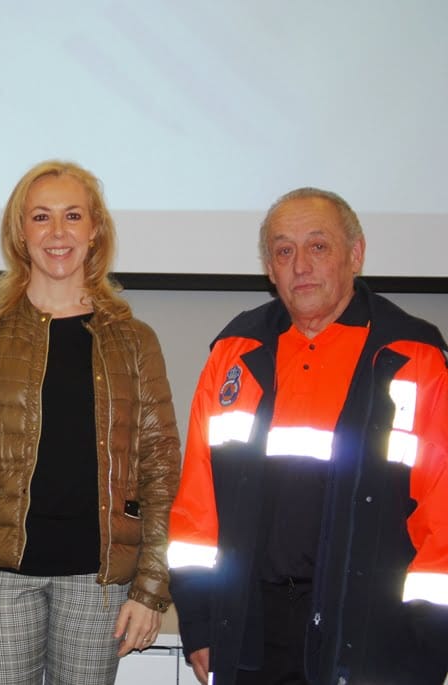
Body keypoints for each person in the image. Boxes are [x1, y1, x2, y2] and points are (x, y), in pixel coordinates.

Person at [167, 187, 448, 685]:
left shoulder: (412, 356)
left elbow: (441, 517)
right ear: (269, 268)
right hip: (252, 632)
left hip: (371, 636)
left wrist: (428, 648)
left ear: (355, 254)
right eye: (283, 250)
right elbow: (197, 509)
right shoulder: (235, 352)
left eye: (318, 246)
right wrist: (202, 624)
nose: (300, 266)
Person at [0, 160, 182, 684]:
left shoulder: (136, 341)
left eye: (72, 216)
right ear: (21, 234)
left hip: (99, 580)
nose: (58, 233)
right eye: (41, 217)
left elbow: (162, 471)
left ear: (95, 231)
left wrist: (151, 588)